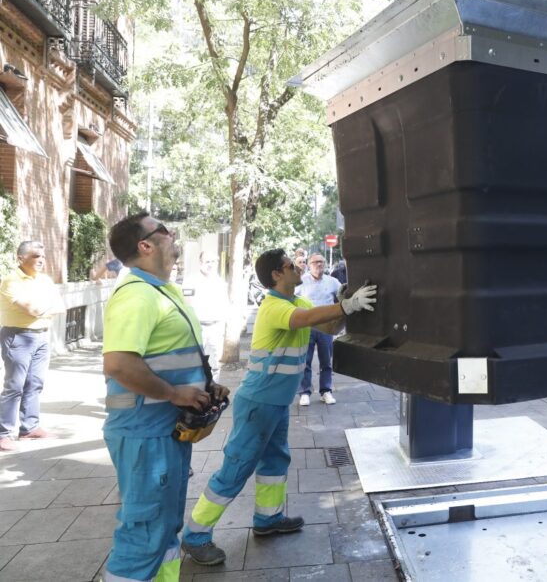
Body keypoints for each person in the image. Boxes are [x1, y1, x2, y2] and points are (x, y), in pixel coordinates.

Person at [181, 249, 377, 566]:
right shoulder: (273, 306)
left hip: (275, 402)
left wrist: (345, 306)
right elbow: (303, 320)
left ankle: (268, 518)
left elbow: (326, 327)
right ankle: (195, 535)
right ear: (276, 274)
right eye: (290, 264)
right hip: (258, 403)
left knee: (275, 459)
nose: (297, 266)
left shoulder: (295, 301)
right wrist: (344, 306)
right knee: (237, 468)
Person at [100, 212, 229, 581]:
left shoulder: (161, 290)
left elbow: (169, 354)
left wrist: (205, 386)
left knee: (164, 529)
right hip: (145, 435)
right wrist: (174, 393)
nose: (174, 239)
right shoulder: (137, 295)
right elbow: (120, 364)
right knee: (143, 536)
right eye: (166, 233)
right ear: (145, 246)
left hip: (162, 433)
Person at [0, 241, 64, 451]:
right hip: (18, 336)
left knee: (35, 383)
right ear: (21, 258)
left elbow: (59, 306)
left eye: (43, 256)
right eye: (36, 256)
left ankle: (29, 428)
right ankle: (4, 434)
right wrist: (43, 307)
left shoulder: (44, 280)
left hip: (42, 336)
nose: (41, 260)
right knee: (14, 386)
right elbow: (32, 309)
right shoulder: (11, 282)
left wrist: (40, 308)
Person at [295, 253, 342, 406]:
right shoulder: (301, 282)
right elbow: (291, 299)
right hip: (306, 327)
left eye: (321, 262)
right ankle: (305, 392)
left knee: (326, 361)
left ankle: (326, 391)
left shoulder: (332, 282)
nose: (319, 265)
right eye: (315, 262)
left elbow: (342, 297)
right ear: (309, 265)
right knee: (305, 361)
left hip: (326, 327)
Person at [185, 251, 230, 383]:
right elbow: (187, 304)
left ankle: (214, 390)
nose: (210, 265)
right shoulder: (191, 281)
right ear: (200, 263)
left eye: (213, 262)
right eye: (207, 262)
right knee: (197, 362)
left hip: (216, 328)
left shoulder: (220, 282)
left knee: (215, 364)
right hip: (198, 328)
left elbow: (224, 305)